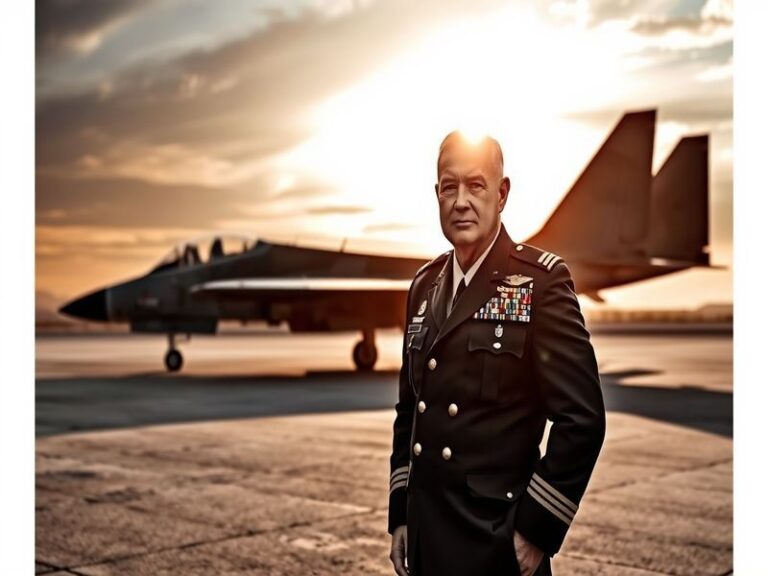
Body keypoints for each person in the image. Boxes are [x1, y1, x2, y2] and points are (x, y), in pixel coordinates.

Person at [387, 131, 606, 576]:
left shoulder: (540, 283)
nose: (461, 202)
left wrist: (536, 531)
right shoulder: (424, 286)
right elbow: (410, 411)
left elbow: (582, 420)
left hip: (495, 545)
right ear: (436, 194)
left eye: (476, 185)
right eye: (449, 187)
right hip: (428, 539)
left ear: (501, 194)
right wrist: (401, 514)